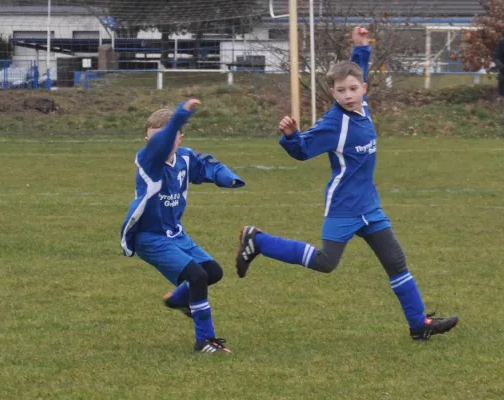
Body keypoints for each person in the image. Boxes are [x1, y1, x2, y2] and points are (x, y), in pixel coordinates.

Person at [235, 27, 458, 341]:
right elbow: (301, 152)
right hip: (343, 206)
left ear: (364, 88)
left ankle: (419, 325)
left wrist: (360, 48)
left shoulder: (361, 105)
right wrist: (291, 136)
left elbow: (357, 70)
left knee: (395, 261)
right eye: (341, 91)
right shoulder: (333, 124)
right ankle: (258, 241)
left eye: (353, 88)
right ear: (333, 93)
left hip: (369, 204)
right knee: (327, 263)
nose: (348, 95)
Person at [120, 99, 245, 354]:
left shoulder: (184, 159)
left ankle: (179, 300)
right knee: (196, 277)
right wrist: (180, 115)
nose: (162, 144)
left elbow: (207, 166)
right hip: (150, 238)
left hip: (176, 233)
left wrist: (227, 177)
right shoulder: (148, 160)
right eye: (155, 139)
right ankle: (205, 342)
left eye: (169, 138)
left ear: (180, 139)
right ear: (147, 142)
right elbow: (163, 142)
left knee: (213, 272)